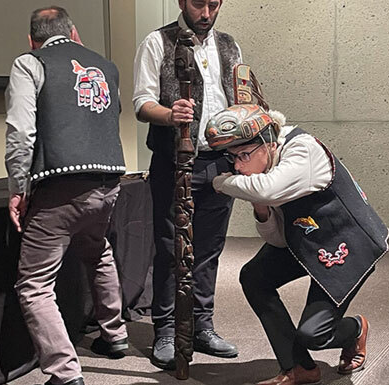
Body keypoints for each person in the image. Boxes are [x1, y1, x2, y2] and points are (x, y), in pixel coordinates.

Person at [205, 103, 389, 385]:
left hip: (349, 244)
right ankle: (298, 367)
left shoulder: (302, 149)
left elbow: (268, 188)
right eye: (232, 159)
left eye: (243, 155)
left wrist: (220, 182)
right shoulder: (264, 170)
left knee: (314, 334)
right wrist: (262, 210)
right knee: (254, 277)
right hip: (308, 239)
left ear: (267, 143)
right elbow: (278, 240)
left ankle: (355, 329)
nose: (239, 166)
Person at [5, 6, 128, 385]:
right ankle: (116, 335)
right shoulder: (106, 65)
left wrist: (18, 189)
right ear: (75, 34)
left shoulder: (30, 63)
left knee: (34, 284)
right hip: (109, 183)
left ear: (32, 39)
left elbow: (21, 133)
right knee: (98, 251)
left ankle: (64, 373)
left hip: (61, 188)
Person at [132, 0, 242, 370]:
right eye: (199, 3)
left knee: (209, 248)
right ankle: (165, 328)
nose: (207, 12)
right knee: (170, 246)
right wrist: (169, 113)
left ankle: (201, 325)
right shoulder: (158, 42)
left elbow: (237, 98)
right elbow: (141, 102)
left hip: (220, 161)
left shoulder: (229, 45)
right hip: (174, 161)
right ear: (182, 2)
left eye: (214, 4)